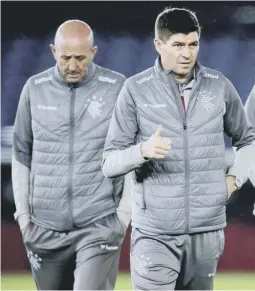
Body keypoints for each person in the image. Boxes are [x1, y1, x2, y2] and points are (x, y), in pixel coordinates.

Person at [102, 7, 255, 290]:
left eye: (193, 44)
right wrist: (142, 151)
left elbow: (247, 140)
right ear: (158, 45)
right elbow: (109, 162)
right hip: (154, 233)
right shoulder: (135, 90)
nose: (187, 54)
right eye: (178, 45)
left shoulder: (219, 86)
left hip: (207, 232)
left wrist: (233, 181)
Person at [12, 19, 130, 290]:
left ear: (94, 52)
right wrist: (24, 221)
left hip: (99, 224)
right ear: (54, 51)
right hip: (43, 229)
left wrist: (122, 217)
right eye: (65, 58)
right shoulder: (34, 88)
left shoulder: (117, 88)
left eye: (80, 57)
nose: (72, 65)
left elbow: (131, 156)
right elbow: (21, 156)